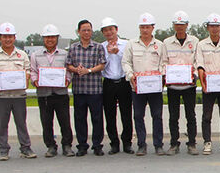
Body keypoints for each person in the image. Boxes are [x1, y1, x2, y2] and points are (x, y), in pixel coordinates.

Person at [0, 22, 36, 160]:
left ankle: (25, 148)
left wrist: (26, 79)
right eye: (4, 36)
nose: (7, 39)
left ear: (14, 38)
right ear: (0, 38)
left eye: (10, 36)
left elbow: (28, 70)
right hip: (1, 96)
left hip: (19, 95)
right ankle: (3, 150)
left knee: (21, 123)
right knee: (2, 124)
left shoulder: (22, 55)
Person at [121, 13, 168, 156]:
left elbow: (164, 63)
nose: (145, 30)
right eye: (142, 27)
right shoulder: (131, 44)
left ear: (153, 28)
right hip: (137, 87)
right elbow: (126, 62)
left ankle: (158, 144)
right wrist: (131, 75)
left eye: (148, 27)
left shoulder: (160, 45)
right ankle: (141, 144)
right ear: (139, 28)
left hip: (155, 87)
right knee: (138, 115)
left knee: (157, 115)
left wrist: (160, 75)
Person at [29, 24, 74, 157]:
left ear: (57, 38)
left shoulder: (65, 54)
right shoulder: (35, 55)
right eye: (47, 37)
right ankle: (50, 146)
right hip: (44, 94)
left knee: (65, 121)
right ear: (43, 39)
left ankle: (67, 145)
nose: (50, 40)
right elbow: (33, 71)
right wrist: (35, 81)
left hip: (61, 93)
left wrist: (67, 80)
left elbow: (69, 70)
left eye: (53, 37)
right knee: (46, 121)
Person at [195, 13, 220, 155]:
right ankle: (207, 142)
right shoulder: (201, 45)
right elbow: (200, 65)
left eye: (217, 26)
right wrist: (203, 84)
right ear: (207, 27)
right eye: (212, 26)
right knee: (207, 116)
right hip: (209, 85)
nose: (214, 29)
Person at [65, 19, 106, 157]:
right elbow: (68, 65)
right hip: (79, 89)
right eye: (84, 30)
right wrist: (76, 69)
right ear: (78, 32)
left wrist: (88, 70)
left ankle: (97, 145)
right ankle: (82, 145)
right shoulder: (73, 47)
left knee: (97, 118)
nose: (87, 32)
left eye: (89, 30)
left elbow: (102, 64)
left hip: (95, 89)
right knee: (80, 119)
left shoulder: (98, 47)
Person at [163, 11, 200, 155]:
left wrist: (194, 75)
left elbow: (198, 61)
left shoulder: (195, 41)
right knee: (173, 116)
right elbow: (164, 62)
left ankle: (192, 143)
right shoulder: (166, 42)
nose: (180, 27)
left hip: (189, 85)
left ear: (187, 25)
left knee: (190, 115)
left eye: (182, 24)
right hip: (173, 86)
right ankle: (174, 144)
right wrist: (166, 75)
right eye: (177, 24)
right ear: (173, 26)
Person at [100, 17, 133, 154]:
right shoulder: (101, 47)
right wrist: (108, 54)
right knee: (109, 114)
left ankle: (127, 143)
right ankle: (114, 143)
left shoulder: (126, 44)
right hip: (108, 83)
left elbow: (128, 61)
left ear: (116, 30)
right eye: (105, 30)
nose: (109, 33)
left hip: (123, 82)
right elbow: (101, 66)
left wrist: (116, 52)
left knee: (126, 114)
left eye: (111, 29)